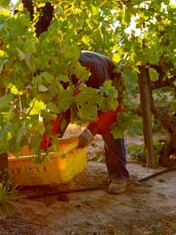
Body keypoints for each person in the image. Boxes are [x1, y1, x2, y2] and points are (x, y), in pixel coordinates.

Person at [42, 51, 129, 194]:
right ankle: (48, 159)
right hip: (80, 86)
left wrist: (91, 130)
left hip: (110, 83)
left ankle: (119, 175)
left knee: (111, 127)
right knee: (58, 117)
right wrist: (44, 144)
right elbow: (55, 113)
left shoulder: (95, 72)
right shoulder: (54, 77)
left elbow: (110, 111)